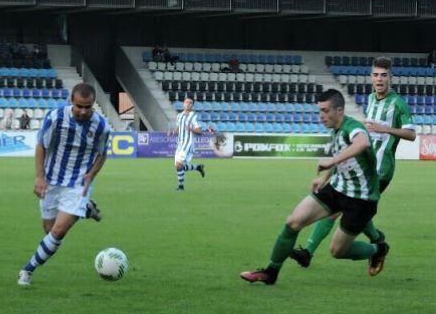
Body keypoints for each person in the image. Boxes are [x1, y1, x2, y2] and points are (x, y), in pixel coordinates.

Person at [240, 89, 388, 285]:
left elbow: (361, 144)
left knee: (337, 251)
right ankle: (270, 272)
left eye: (325, 110)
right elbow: (345, 158)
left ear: (340, 110)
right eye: (319, 110)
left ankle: (379, 249)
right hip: (337, 188)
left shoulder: (354, 127)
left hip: (361, 199)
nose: (321, 115)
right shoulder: (335, 131)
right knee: (293, 222)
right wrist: (325, 177)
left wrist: (331, 160)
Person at [290, 57, 415, 269]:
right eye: (376, 74)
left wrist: (386, 129)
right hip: (361, 166)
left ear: (390, 77)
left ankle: (311, 251)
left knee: (341, 208)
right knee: (348, 207)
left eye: (384, 75)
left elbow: (411, 134)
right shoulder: (371, 99)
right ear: (371, 77)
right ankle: (376, 239)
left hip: (380, 171)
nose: (379, 79)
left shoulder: (398, 104)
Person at [17, 83, 111, 286]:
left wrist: (91, 175)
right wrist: (39, 176)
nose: (84, 111)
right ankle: (85, 209)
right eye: (79, 106)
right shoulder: (55, 118)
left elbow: (103, 154)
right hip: (51, 181)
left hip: (77, 184)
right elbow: (41, 144)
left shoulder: (101, 126)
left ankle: (28, 269)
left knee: (58, 232)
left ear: (94, 104)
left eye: (88, 107)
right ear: (71, 100)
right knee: (49, 230)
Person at [168, 97, 208, 191]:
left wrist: (191, 129)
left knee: (178, 165)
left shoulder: (193, 116)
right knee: (178, 166)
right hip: (180, 144)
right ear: (183, 104)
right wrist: (172, 133)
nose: (188, 104)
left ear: (192, 105)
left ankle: (181, 187)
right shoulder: (179, 116)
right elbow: (177, 127)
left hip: (188, 143)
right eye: (186, 102)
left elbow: (199, 131)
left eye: (190, 103)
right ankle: (198, 167)